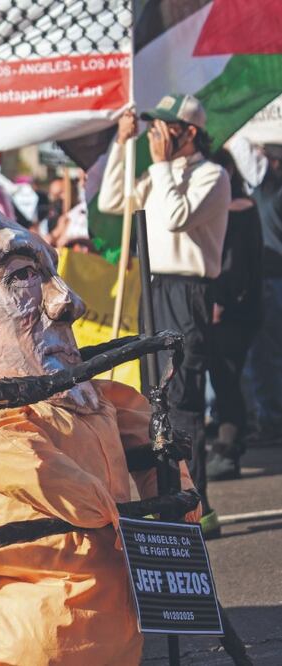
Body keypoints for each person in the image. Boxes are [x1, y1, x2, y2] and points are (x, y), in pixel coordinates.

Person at [0, 201, 200, 665]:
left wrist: (172, 497)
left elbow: (156, 447)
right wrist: (127, 522)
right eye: (24, 276)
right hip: (31, 649)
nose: (67, 300)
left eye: (52, 274)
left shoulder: (99, 399)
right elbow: (67, 492)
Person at [99, 94, 229, 535]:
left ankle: (197, 504)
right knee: (153, 396)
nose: (158, 135)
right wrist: (121, 145)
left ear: (189, 133)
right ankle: (166, 495)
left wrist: (160, 165)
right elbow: (113, 200)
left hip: (187, 288)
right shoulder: (158, 174)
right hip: (153, 288)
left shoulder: (213, 175)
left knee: (183, 397)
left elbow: (176, 218)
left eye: (167, 128)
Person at [205, 149, 263, 479]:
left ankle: (229, 447)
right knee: (225, 377)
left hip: (232, 312)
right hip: (231, 308)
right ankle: (230, 444)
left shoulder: (240, 209)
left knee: (226, 378)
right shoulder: (233, 207)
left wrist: (221, 302)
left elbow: (235, 267)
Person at [247, 143, 282, 446]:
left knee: (266, 357)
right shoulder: (267, 192)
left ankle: (272, 420)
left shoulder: (268, 193)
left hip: (270, 281)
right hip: (270, 279)